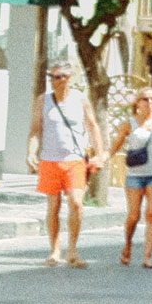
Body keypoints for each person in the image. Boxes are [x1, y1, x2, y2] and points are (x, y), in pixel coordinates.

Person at [29, 65, 100, 267]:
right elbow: (35, 130)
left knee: (76, 203)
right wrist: (31, 151)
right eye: (51, 76)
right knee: (53, 205)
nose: (53, 80)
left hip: (75, 159)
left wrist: (99, 154)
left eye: (58, 77)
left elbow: (93, 127)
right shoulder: (43, 101)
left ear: (68, 78)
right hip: (50, 160)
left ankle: (73, 251)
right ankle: (55, 250)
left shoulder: (80, 100)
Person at [112, 87, 152, 268]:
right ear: (137, 102)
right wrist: (102, 158)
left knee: (151, 213)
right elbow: (116, 145)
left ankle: (147, 256)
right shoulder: (128, 124)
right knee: (134, 216)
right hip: (135, 175)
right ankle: (128, 246)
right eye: (146, 99)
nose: (150, 103)